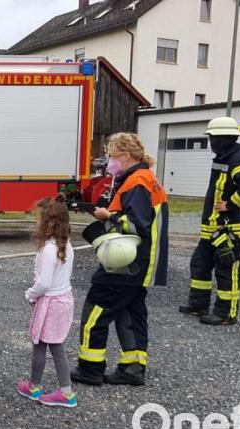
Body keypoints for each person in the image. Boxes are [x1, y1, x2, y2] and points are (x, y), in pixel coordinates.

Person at [71, 132, 168, 387]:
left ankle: (90, 368)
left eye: (112, 157)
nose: (109, 162)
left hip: (126, 262)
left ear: (125, 156)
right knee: (131, 314)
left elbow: (137, 225)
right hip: (140, 263)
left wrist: (107, 217)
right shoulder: (146, 178)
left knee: (96, 309)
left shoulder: (136, 182)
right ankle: (132, 368)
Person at [179, 117, 240, 325]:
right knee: (200, 264)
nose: (210, 143)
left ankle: (226, 314)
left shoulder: (238, 159)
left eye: (212, 138)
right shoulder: (223, 158)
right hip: (213, 229)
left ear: (223, 138)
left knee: (227, 270)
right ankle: (198, 305)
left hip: (229, 230)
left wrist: (231, 204)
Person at [16, 194, 77, 408]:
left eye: (38, 218)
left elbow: (44, 283)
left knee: (52, 346)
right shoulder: (66, 245)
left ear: (48, 223)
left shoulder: (49, 250)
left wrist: (30, 294)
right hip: (63, 299)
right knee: (44, 343)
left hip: (50, 302)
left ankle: (66, 392)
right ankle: (34, 385)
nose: (36, 222)